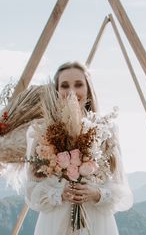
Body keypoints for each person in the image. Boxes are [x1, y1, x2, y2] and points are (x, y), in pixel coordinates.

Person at [24, 61, 133, 235]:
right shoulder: (41, 132)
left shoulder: (106, 130)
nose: (72, 91)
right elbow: (31, 191)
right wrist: (59, 193)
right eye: (65, 86)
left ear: (88, 89)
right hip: (55, 222)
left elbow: (121, 190)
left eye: (79, 84)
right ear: (57, 91)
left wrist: (96, 193)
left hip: (96, 222)